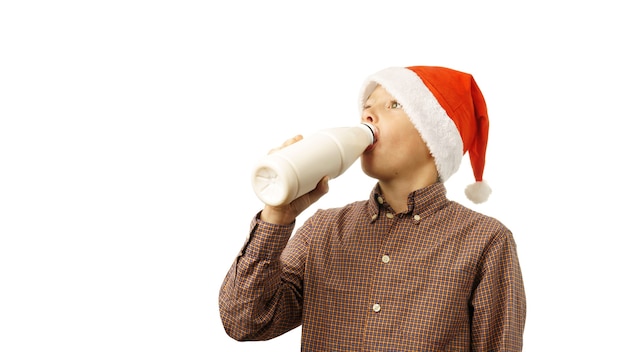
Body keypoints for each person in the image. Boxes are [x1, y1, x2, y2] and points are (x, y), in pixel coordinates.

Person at [219, 65, 526, 351]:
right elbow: (244, 322)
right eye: (367, 107)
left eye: (394, 104)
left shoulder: (486, 241)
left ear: (436, 136)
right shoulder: (322, 230)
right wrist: (277, 215)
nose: (368, 114)